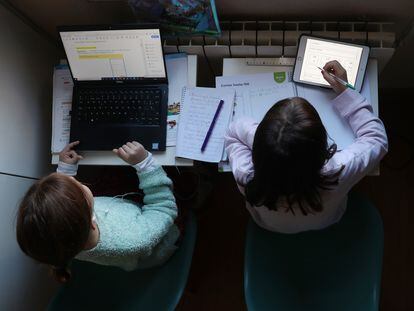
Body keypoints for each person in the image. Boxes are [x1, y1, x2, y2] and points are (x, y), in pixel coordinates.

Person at [224, 61, 388, 233]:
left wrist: (267, 139)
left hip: (269, 225)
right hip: (327, 221)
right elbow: (377, 138)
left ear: (258, 150)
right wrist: (345, 90)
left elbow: (234, 130)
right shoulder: (339, 172)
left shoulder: (246, 176)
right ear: (322, 148)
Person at [16, 141, 179, 282]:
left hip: (125, 213)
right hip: (159, 233)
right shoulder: (134, 239)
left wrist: (65, 169)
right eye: (76, 187)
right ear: (92, 221)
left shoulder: (65, 241)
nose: (74, 181)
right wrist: (145, 164)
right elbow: (164, 208)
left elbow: (61, 208)